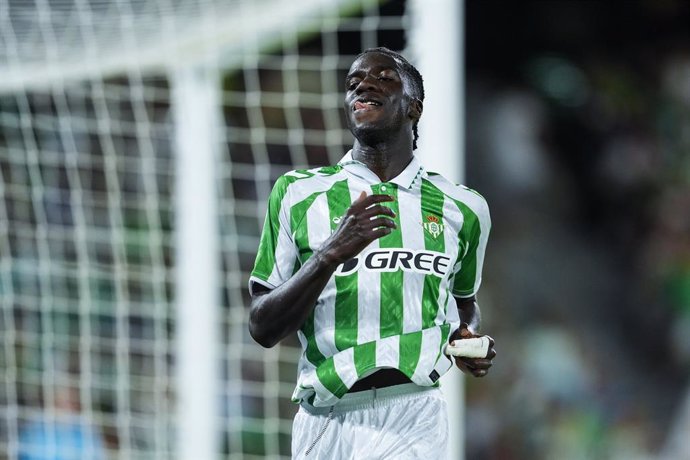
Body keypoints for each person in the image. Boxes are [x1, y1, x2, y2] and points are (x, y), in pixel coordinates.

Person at [248, 47, 496, 459]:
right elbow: (262, 326)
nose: (363, 85)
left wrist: (464, 336)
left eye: (382, 78)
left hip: (413, 413)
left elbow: (463, 302)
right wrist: (330, 253)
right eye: (354, 83)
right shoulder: (298, 193)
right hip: (323, 420)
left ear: (413, 108)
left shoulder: (463, 207)